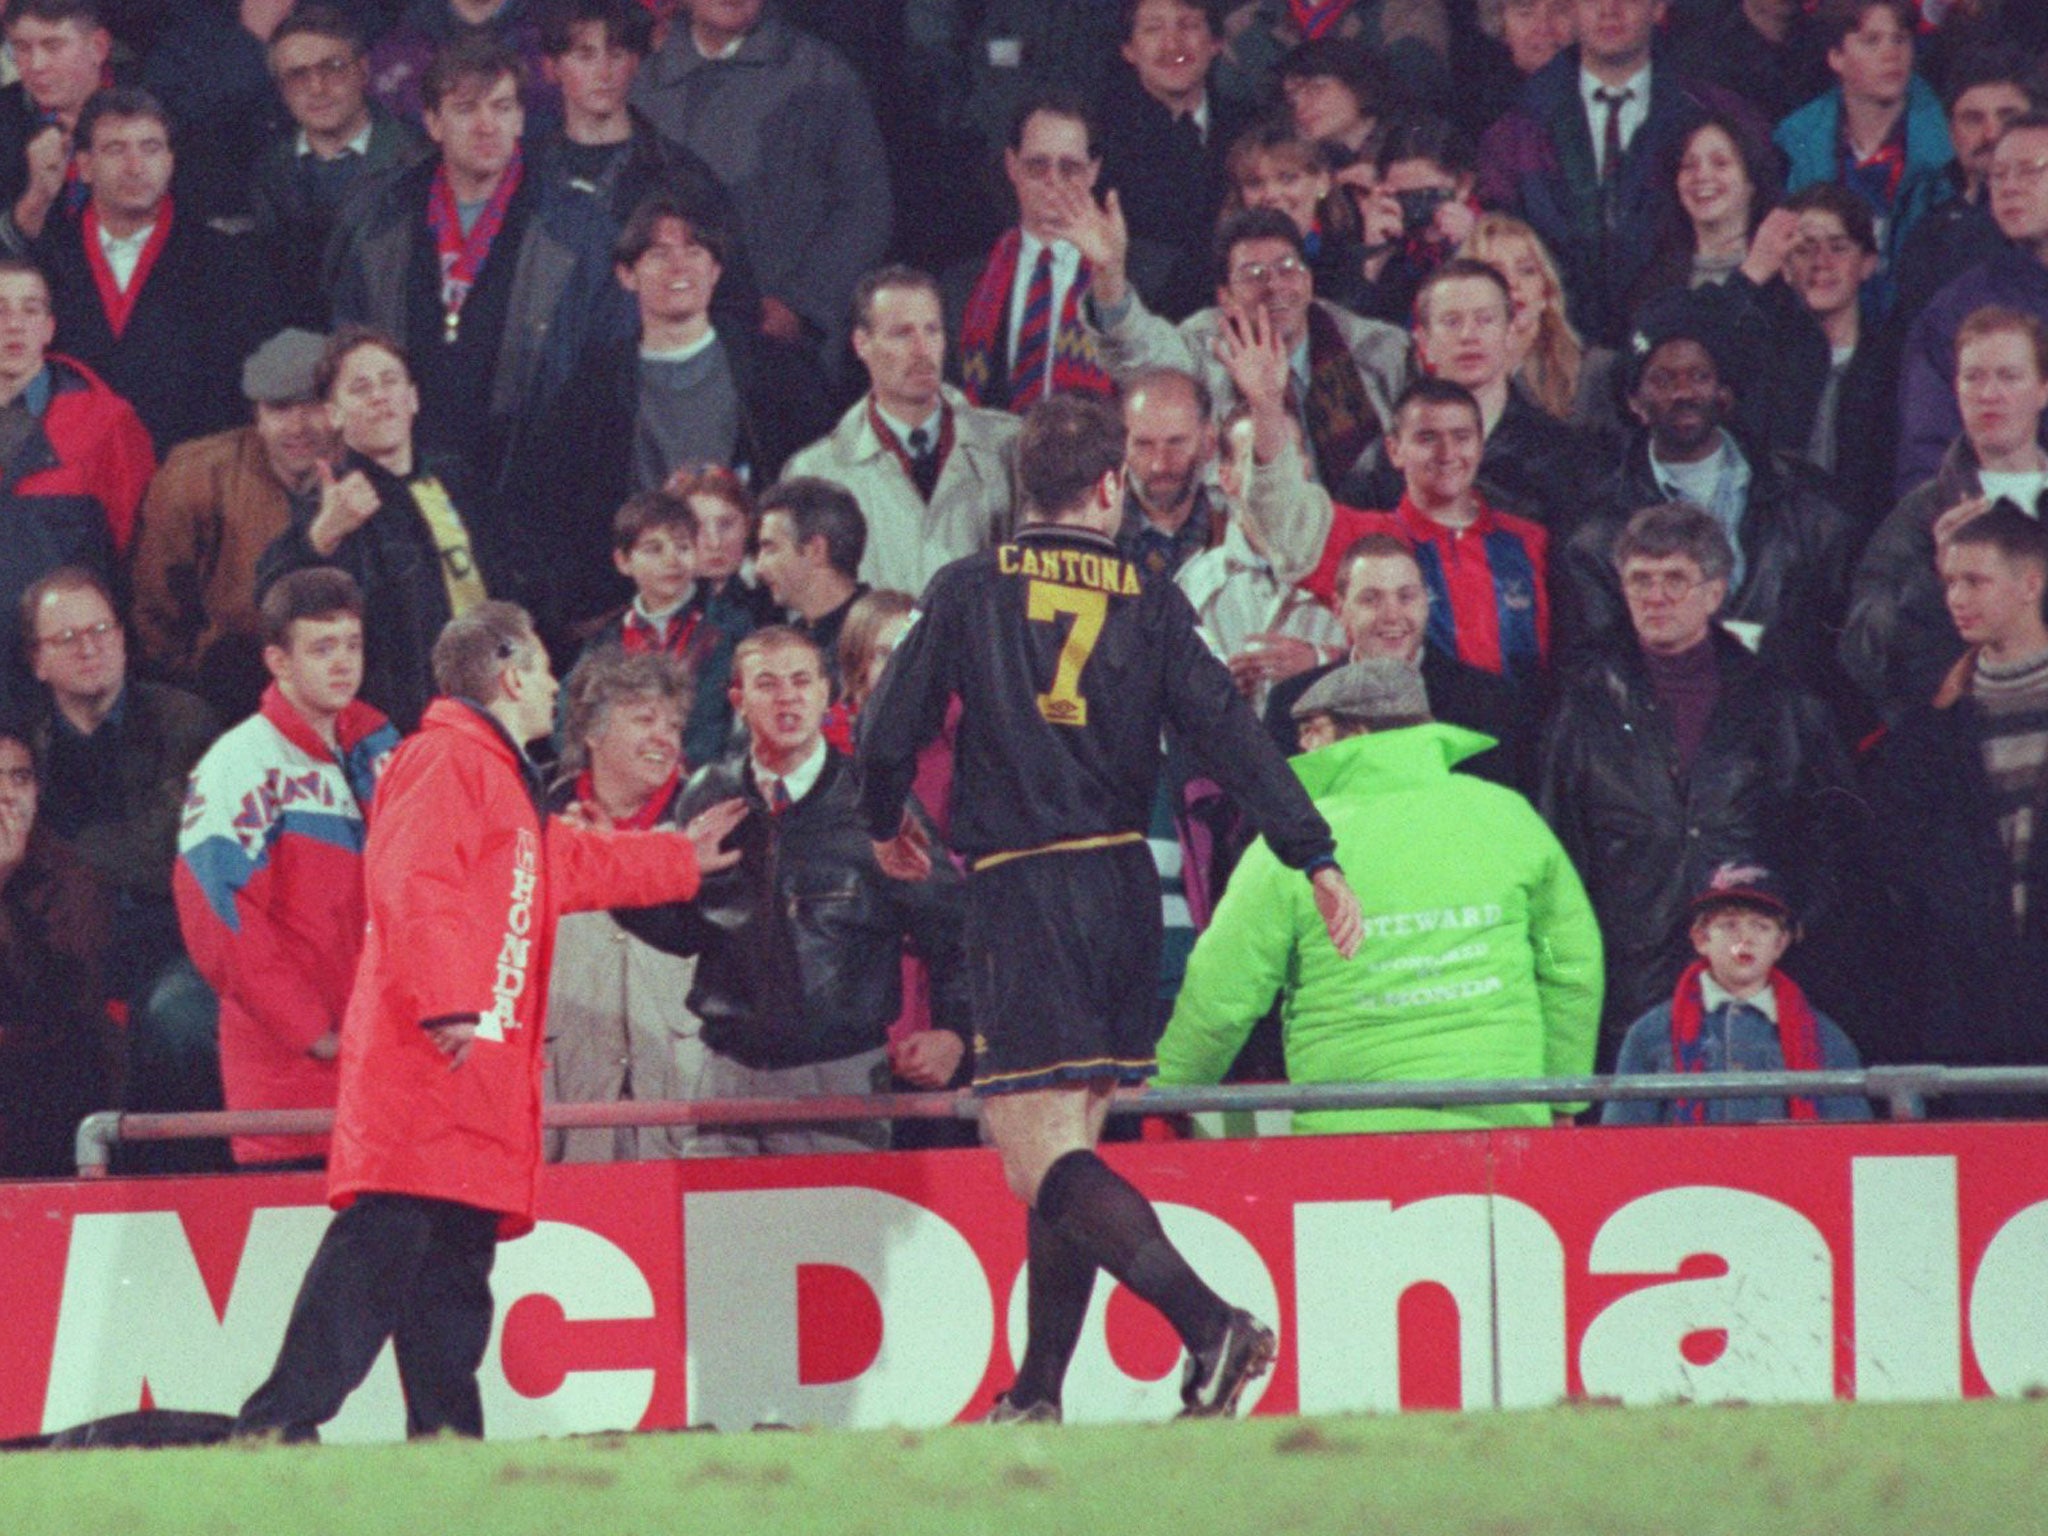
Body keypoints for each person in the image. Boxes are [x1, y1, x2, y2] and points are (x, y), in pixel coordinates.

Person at [858, 394, 1364, 1424]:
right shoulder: (1150, 594)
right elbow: (1227, 733)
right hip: (1128, 887)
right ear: (1108, 486)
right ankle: (1036, 1395)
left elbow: (883, 734)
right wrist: (1311, 852)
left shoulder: (967, 590)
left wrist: (880, 819)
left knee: (1034, 1154)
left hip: (1023, 885)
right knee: (1067, 1147)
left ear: (1019, 489)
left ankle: (1210, 1324)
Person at [232, 600, 744, 1443]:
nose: (553, 690)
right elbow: (413, 881)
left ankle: (443, 1439)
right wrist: (444, 1000)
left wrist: (678, 858)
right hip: (434, 1061)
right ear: (508, 675)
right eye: (544, 671)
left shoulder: (493, 776)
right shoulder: (444, 759)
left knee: (452, 1267)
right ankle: (278, 1421)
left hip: (469, 1073)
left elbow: (563, 865)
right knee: (384, 1246)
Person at [1159, 657, 1601, 1133]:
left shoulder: (1294, 849)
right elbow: (1564, 960)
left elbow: (1226, 988)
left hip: (1353, 1141)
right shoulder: (1509, 818)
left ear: (1359, 734)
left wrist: (1169, 1092)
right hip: (1504, 1122)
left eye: (1313, 730)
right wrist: (1561, 1092)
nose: (1300, 746)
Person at [617, 626, 967, 1156]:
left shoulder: (876, 804)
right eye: (768, 683)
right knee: (717, 1236)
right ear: (737, 700)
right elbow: (689, 931)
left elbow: (953, 928)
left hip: (839, 1078)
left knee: (832, 1237)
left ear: (826, 694)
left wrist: (956, 1034)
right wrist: (628, 882)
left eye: (802, 681)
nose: (788, 697)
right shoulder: (708, 793)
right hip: (724, 1073)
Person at [1538, 502, 1852, 1057]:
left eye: (1675, 579)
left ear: (1715, 592)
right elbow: (1559, 842)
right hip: (1627, 981)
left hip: (1756, 980)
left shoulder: (1780, 702)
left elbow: (1831, 828)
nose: (1655, 596)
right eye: (1641, 580)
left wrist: (1797, 921)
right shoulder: (1582, 706)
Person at [327, 34, 630, 552]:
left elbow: (606, 379)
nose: (487, 125)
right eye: (466, 109)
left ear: (520, 120)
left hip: (534, 498)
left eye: (502, 106)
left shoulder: (580, 231)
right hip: (401, 495)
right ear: (434, 122)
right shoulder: (381, 222)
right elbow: (348, 353)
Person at [520, 190, 826, 637]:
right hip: (635, 618)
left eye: (694, 251)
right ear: (627, 274)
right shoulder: (592, 387)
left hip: (759, 612)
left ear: (716, 270)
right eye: (659, 254)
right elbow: (553, 513)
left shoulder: (771, 372)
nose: (679, 268)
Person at [173, 569, 400, 1169]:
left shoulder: (385, 754)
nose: (343, 663)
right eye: (322, 648)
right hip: (290, 1082)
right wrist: (311, 1030)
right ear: (278, 660)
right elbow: (217, 914)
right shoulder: (240, 763)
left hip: (386, 1077)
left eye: (352, 644)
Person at [25, 565, 221, 1162]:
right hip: (70, 941)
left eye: (102, 630)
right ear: (38, 662)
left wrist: (74, 856)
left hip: (175, 937)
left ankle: (172, 1192)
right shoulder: (25, 751)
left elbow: (168, 854)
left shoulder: (185, 723)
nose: (91, 648)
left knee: (177, 1018)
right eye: (68, 639)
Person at [1557, 320, 1855, 703]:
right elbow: (1596, 661)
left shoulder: (1804, 497)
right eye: (1662, 380)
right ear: (1635, 402)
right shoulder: (1598, 529)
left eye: (1699, 376)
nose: (1683, 392)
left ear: (1723, 392)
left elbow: (1838, 634)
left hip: (1787, 727)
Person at [1871, 502, 2048, 1113]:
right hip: (1967, 1037)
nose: (1956, 597)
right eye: (1949, 581)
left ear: (2031, 583)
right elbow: (1904, 896)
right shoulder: (1927, 731)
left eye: (1975, 580)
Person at [1474, 0, 1768, 348]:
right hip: (1553, 355)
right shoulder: (1514, 134)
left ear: (1659, 8)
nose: (1609, 9)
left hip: (1686, 351)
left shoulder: (1721, 116)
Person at [1075, 200, 1410, 497]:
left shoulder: (1377, 350)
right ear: (1226, 297)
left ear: (1308, 281)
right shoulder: (1204, 345)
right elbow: (1138, 350)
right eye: (1253, 274)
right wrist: (1110, 276)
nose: (1274, 286)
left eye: (1287, 269)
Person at [258, 326, 497, 732]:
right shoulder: (332, 502)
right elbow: (271, 600)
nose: (379, 396)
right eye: (361, 388)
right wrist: (321, 536)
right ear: (334, 413)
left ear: (413, 397)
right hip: (403, 725)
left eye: (390, 382)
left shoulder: (457, 478)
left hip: (489, 703)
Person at [630, 0, 891, 365]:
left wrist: (802, 305)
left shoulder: (821, 76)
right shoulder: (645, 84)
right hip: (667, 341)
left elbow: (865, 206)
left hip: (783, 345)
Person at [42, 87, 279, 454]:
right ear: (85, 166)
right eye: (116, 149)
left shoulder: (227, 260)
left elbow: (243, 391)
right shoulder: (48, 259)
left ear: (170, 160)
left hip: (192, 473)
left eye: (150, 148)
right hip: (73, 476)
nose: (135, 167)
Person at [1845, 305, 2048, 726]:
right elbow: (1862, 652)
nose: (1989, 394)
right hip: (1971, 746)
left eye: (2008, 376)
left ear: (2043, 389)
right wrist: (1936, 576)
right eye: (1973, 377)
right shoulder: (1922, 515)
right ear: (1954, 388)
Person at [541, 647, 704, 1161]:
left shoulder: (704, 820)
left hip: (679, 1094)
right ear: (591, 732)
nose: (665, 738)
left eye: (674, 725)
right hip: (564, 1094)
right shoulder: (539, 815)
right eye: (644, 720)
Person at [130, 328, 337, 719]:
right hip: (229, 695)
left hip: (344, 688)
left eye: (312, 406)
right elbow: (154, 609)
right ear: (256, 415)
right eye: (279, 409)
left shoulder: (368, 473)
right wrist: (198, 691)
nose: (297, 427)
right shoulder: (196, 475)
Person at [526, 0, 759, 337]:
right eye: (585, 55)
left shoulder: (682, 177)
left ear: (636, 62)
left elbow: (733, 302)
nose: (604, 73)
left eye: (617, 54)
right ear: (552, 68)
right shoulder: (522, 170)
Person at [783, 266, 1019, 598]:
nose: (923, 350)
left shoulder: (1010, 445)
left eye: (932, 330)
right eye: (902, 334)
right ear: (861, 343)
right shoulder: (816, 473)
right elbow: (805, 601)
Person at [0, 257, 153, 722]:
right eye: (0, 309)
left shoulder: (106, 424)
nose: (14, 325)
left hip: (70, 685)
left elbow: (139, 558)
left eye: (30, 310)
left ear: (49, 328)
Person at [1604, 862, 1870, 1125]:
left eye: (1761, 926)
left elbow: (1849, 1147)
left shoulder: (1824, 1039)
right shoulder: (1650, 1034)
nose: (1745, 938)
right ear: (1700, 938)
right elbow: (1621, 1147)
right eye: (1729, 925)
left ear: (1780, 943)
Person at [1266, 532, 1537, 790]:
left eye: (1406, 597)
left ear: (1425, 603)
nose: (1392, 615)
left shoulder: (1490, 703)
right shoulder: (1289, 705)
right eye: (1371, 599)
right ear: (1339, 609)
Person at [1895, 112, 2048, 495]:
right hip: (1995, 530)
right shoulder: (1958, 307)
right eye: (1998, 175)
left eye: (2030, 171)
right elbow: (1926, 451)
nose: (2009, 187)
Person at [1773, 0, 1952, 322]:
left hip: (1917, 323)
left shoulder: (1947, 145)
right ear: (1836, 57)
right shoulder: (1794, 141)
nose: (1891, 54)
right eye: (1872, 41)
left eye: (1900, 39)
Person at [251, 6, 425, 330]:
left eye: (332, 67)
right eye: (297, 75)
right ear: (281, 88)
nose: (317, 88)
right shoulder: (269, 170)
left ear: (362, 70)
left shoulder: (417, 161)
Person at [0, 719, 114, 1178]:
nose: (7, 794)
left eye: (20, 778)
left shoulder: (70, 874)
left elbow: (65, 1001)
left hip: (44, 1065)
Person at [955, 92, 1115, 413]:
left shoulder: (1146, 277)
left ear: (1093, 171)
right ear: (1011, 166)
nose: (1052, 181)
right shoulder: (960, 287)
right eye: (1037, 166)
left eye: (1069, 168)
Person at [1094, 0, 1249, 323]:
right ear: (1128, 49)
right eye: (1153, 29)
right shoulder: (1099, 139)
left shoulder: (1252, 127)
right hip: (1145, 322)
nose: (1173, 45)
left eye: (1189, 25)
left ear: (1216, 42)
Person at [1780, 184, 1899, 528]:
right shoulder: (1767, 357)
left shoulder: (1893, 362)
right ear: (1785, 267)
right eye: (1804, 249)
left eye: (1839, 247)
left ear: (1868, 264)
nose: (1821, 263)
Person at [1890, 47, 2035, 328]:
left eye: (2008, 116)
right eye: (1973, 119)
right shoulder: (1928, 234)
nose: (1992, 133)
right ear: (1951, 133)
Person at [1458, 210, 1621, 439]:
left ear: (1545, 290)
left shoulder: (1596, 372)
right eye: (1496, 272)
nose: (1513, 283)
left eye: (1527, 271)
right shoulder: (1451, 382)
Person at [0, 0, 115, 256]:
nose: (36, 65)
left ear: (98, 47)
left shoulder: (153, 109)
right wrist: (36, 199)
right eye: (21, 48)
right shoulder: (5, 117)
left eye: (53, 46)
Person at [750, 476, 868, 687]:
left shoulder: (881, 638)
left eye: (770, 548)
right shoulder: (788, 642)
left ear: (815, 550)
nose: (758, 568)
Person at [1117, 367, 1221, 582]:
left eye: (1176, 443)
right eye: (1143, 445)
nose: (1159, 465)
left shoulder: (1236, 542)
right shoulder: (1092, 546)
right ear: (1121, 447)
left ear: (1209, 444)